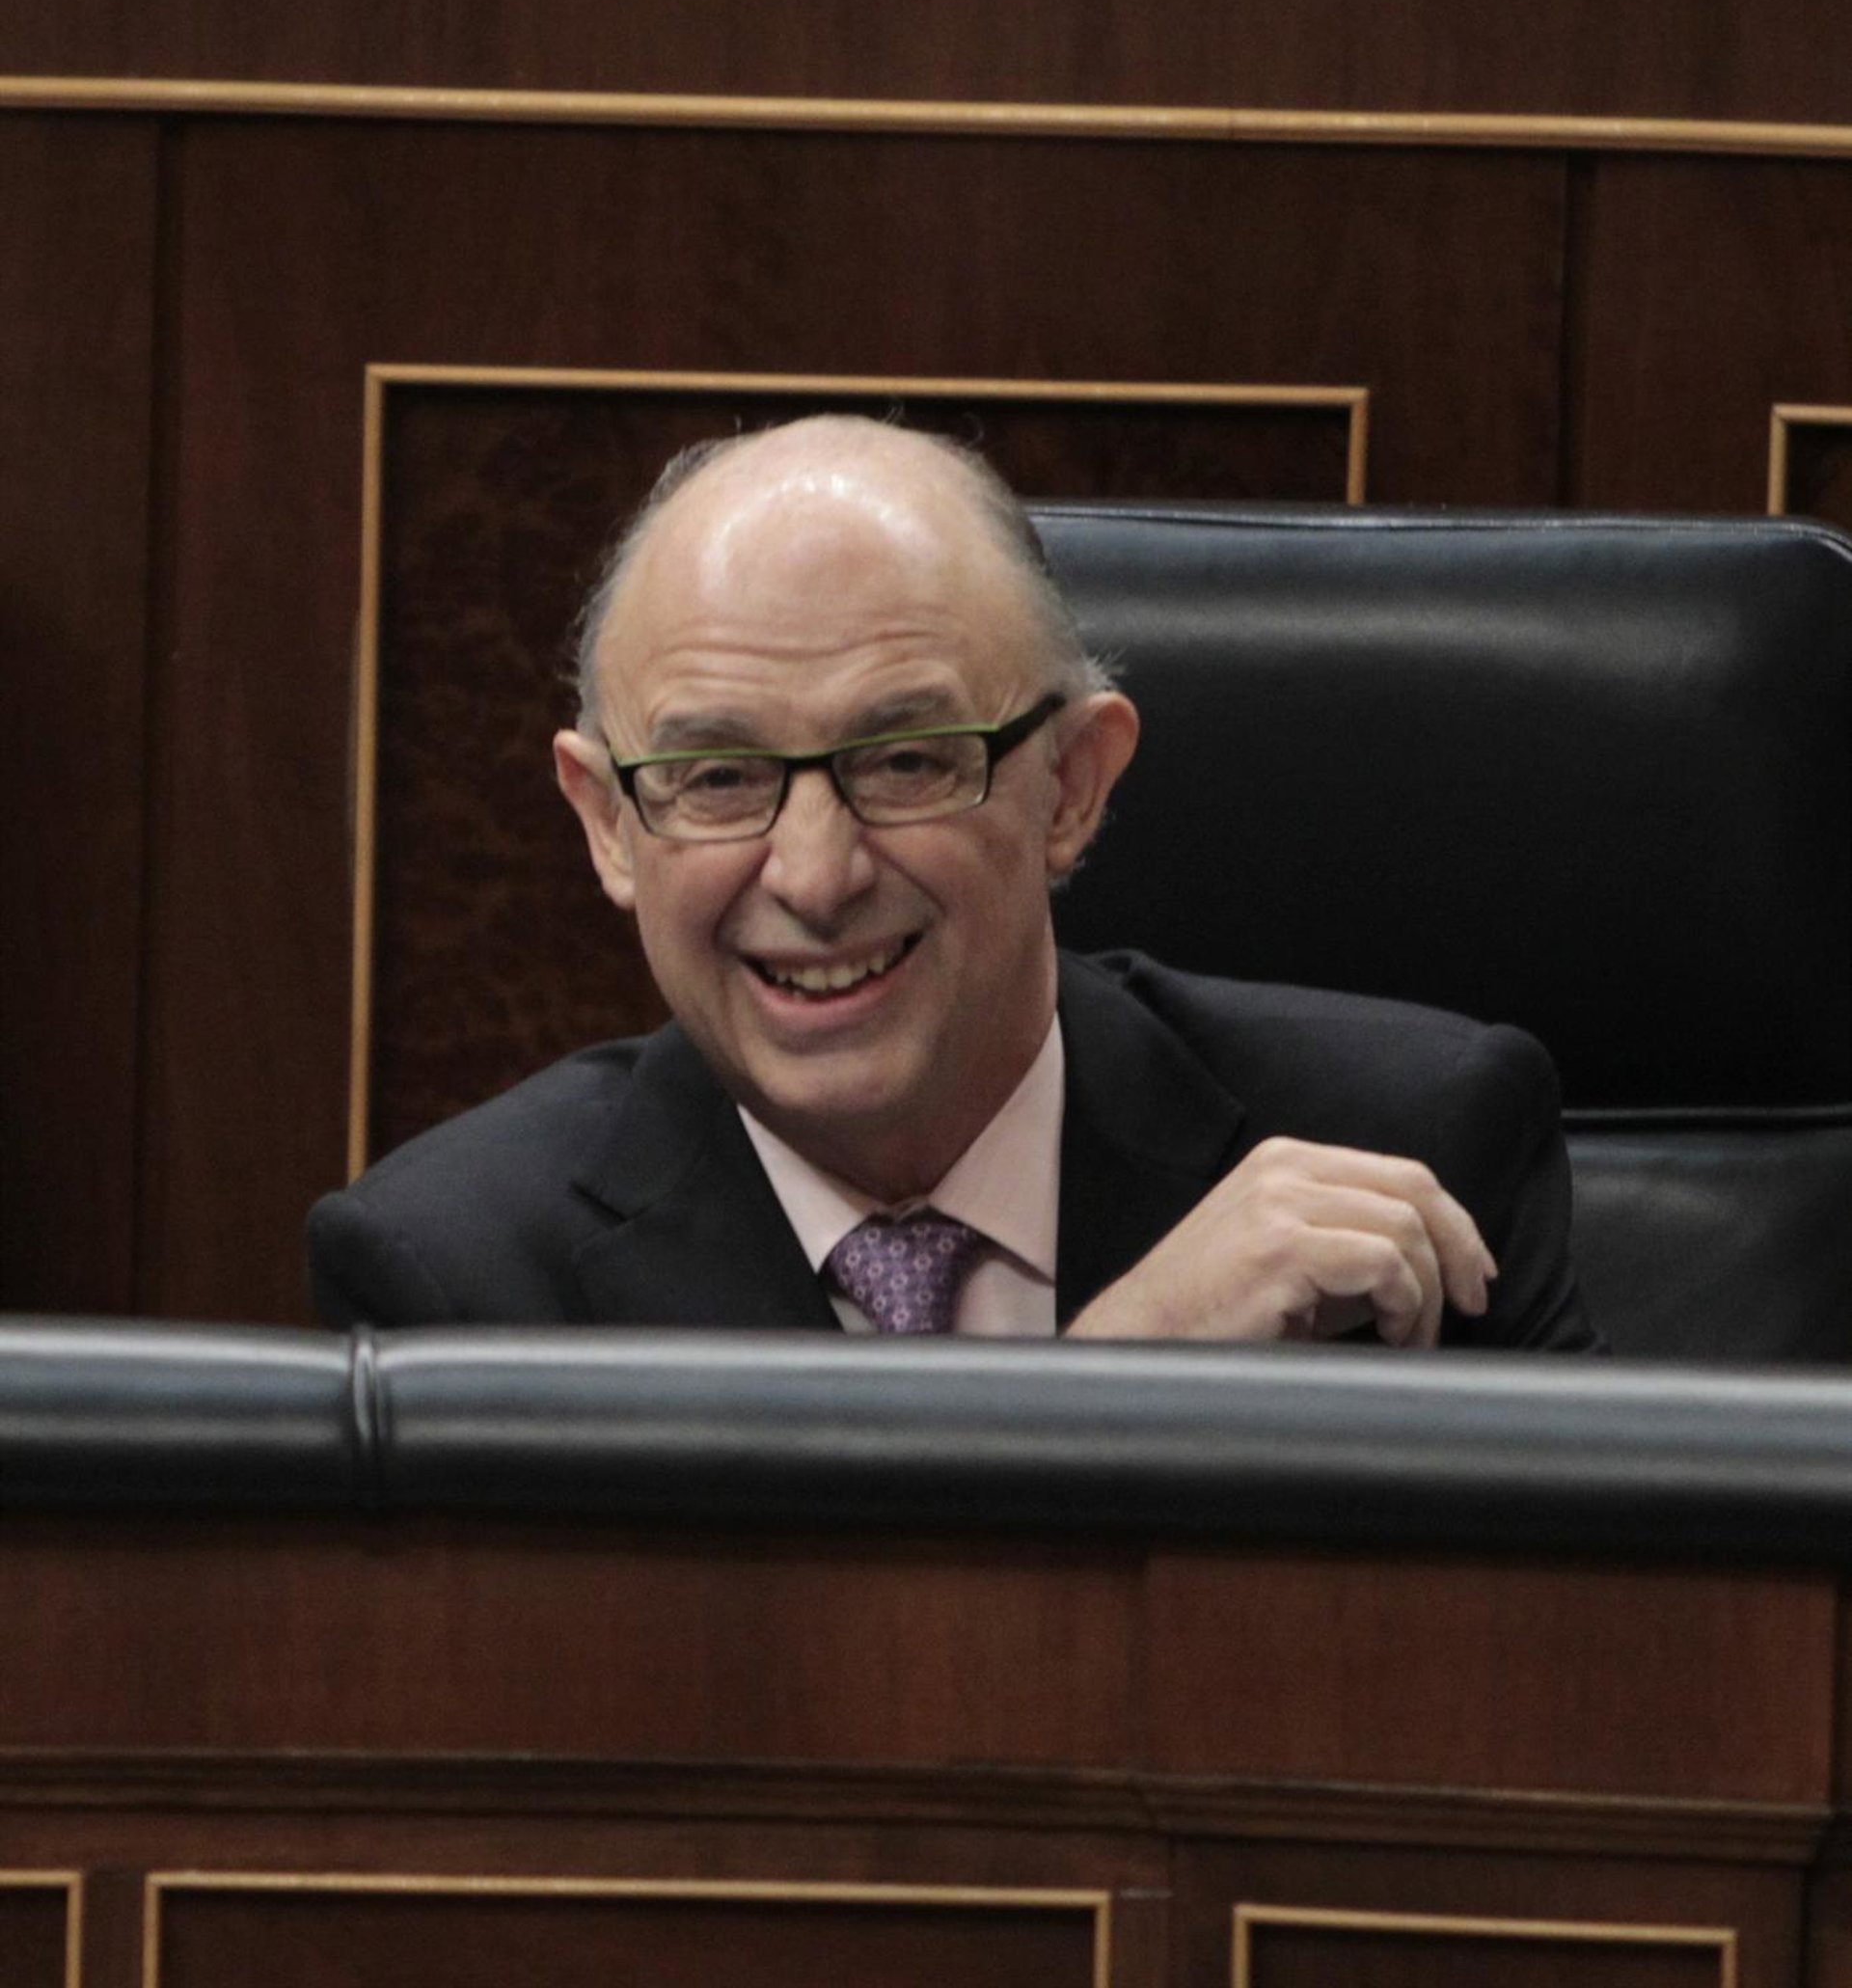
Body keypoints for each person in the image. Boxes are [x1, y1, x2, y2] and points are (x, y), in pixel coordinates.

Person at [310, 416, 1597, 1349]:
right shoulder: (459, 1285)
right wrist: (1115, 1392)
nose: (815, 876)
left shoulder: (1409, 1147)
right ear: (607, 824)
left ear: (1072, 785)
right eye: (718, 778)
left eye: (907, 760)